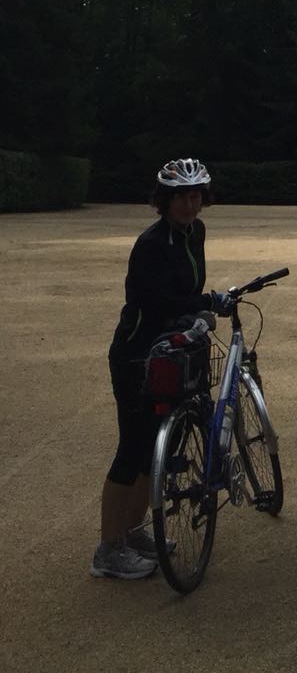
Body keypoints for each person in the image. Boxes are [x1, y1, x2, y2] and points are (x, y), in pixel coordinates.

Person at [94, 158, 230, 581]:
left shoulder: (194, 232)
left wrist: (198, 308)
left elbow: (187, 289)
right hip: (137, 354)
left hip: (171, 349)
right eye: (180, 197)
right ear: (164, 201)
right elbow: (157, 302)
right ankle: (108, 549)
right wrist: (204, 305)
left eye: (195, 196)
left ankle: (132, 532)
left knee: (155, 451)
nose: (189, 204)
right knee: (132, 449)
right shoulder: (151, 244)